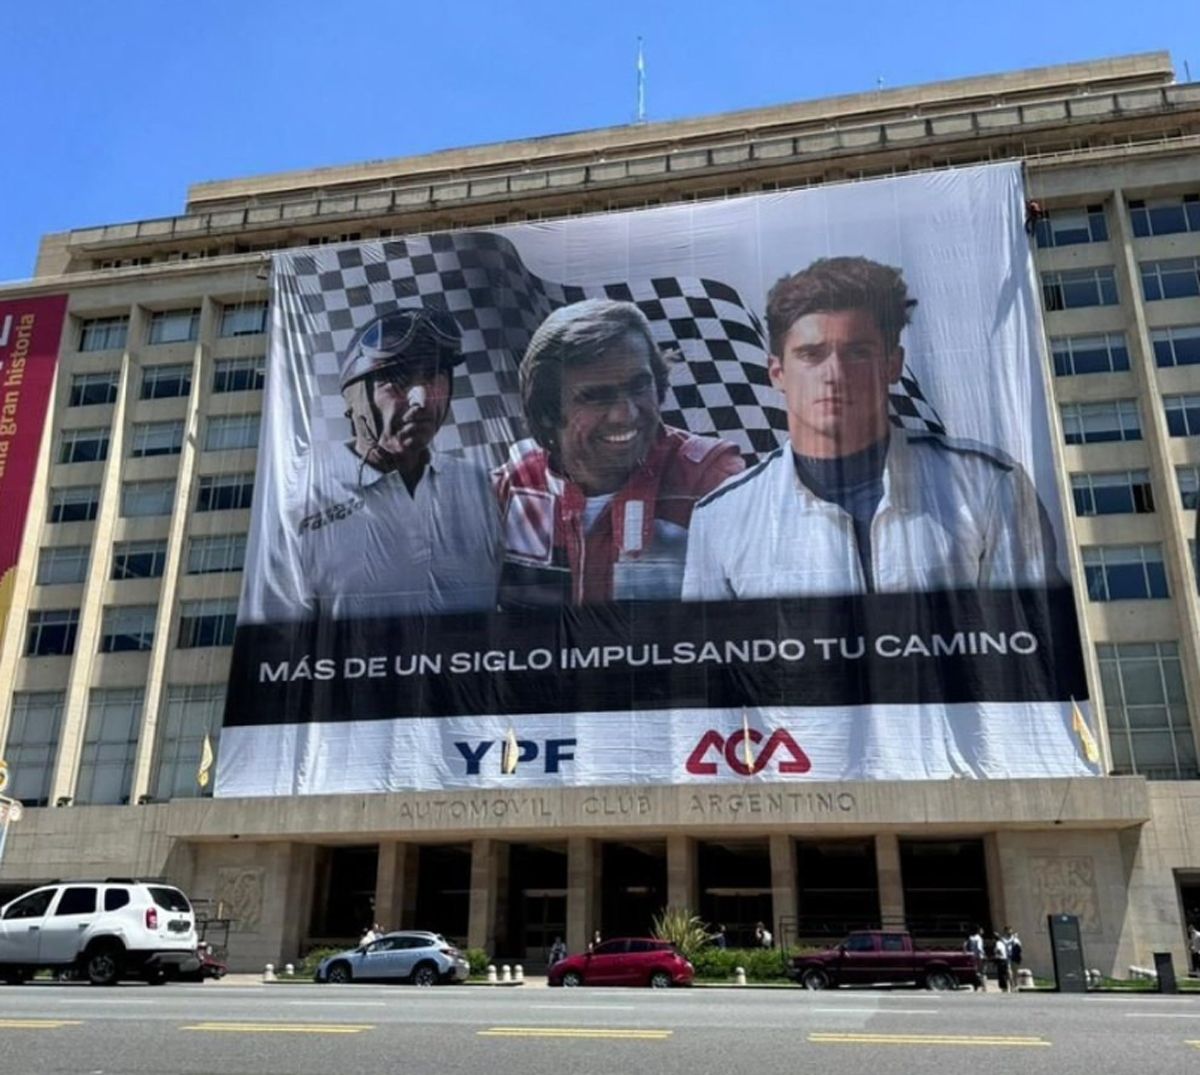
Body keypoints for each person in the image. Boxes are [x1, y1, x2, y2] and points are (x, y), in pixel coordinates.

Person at [683, 256, 1059, 601]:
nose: (835, 375)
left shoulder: (986, 486)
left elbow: (1034, 646)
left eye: (857, 352)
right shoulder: (722, 518)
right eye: (812, 355)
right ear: (777, 373)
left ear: (892, 364)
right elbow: (710, 669)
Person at [244, 306, 503, 623]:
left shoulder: (484, 490)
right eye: (397, 382)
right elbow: (273, 640)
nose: (420, 399)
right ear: (355, 400)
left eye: (434, 377)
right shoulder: (302, 503)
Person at [494, 299, 744, 606]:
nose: (625, 415)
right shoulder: (515, 483)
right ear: (547, 410)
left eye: (639, 387)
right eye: (597, 397)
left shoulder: (711, 480)